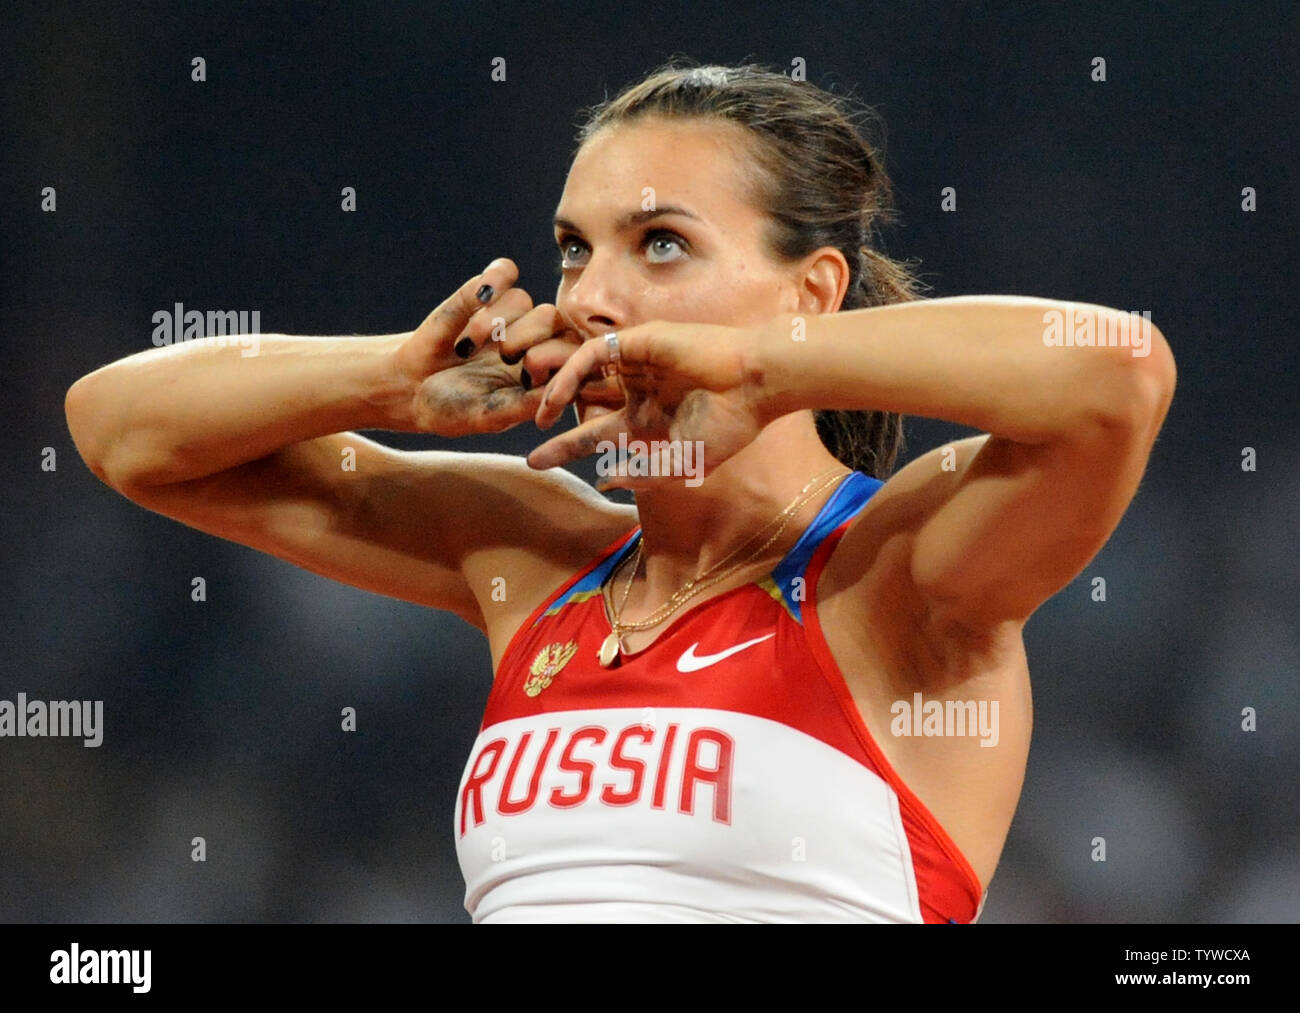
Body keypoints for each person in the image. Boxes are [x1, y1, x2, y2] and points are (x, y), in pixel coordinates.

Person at [64, 61, 1176, 923]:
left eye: (658, 243)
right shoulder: (532, 557)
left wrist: (753, 368)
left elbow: (1116, 373)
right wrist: (392, 380)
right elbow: (120, 430)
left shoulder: (897, 572)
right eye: (571, 250)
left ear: (812, 292)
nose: (592, 296)